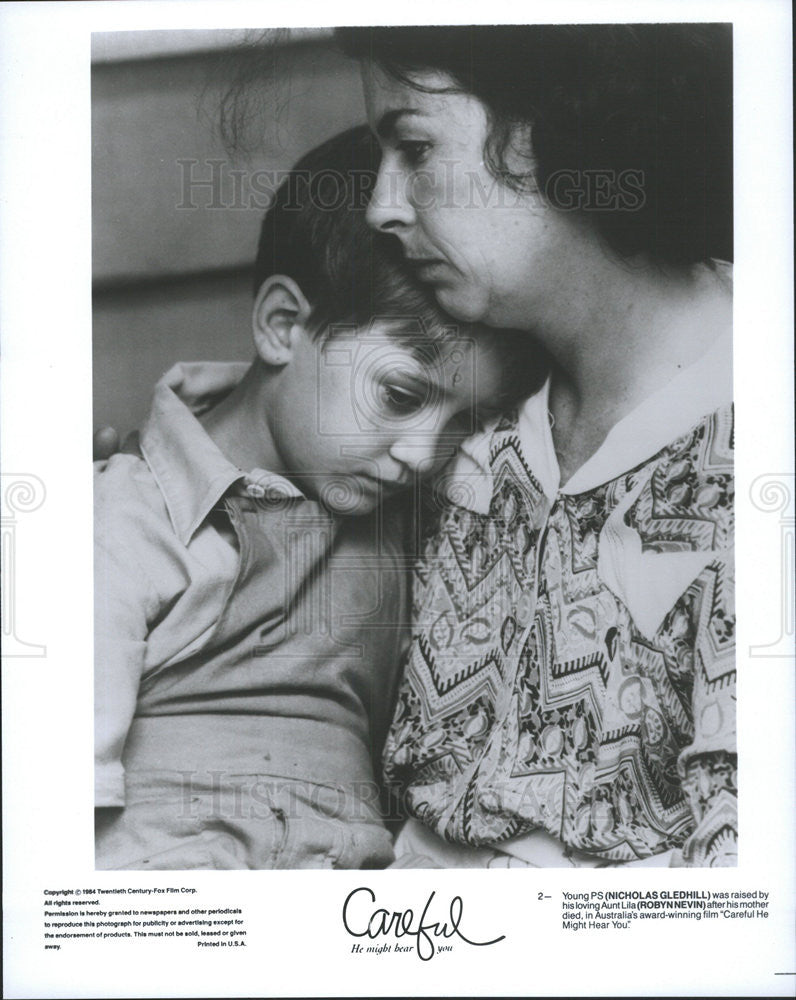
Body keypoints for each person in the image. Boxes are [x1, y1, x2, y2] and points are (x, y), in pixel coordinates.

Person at [336, 24, 736, 867]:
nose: (382, 205)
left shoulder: (754, 433)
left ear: (549, 130)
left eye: (414, 147)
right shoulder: (463, 402)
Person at [94, 125, 543, 870]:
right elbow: (53, 780)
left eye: (460, 422)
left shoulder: (411, 520)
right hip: (172, 885)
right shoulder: (129, 512)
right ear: (282, 325)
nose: (420, 455)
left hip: (346, 895)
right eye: (400, 396)